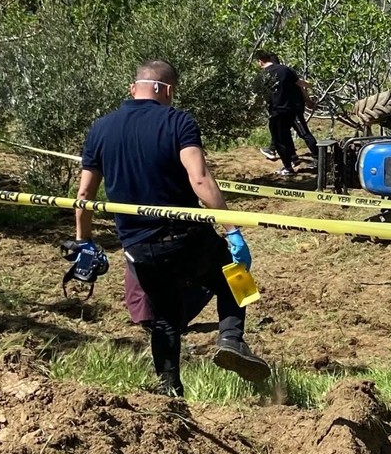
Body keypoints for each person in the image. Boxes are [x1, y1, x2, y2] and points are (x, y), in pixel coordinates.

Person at [71, 59, 270, 397]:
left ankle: (170, 387)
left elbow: (85, 194)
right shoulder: (178, 121)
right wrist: (233, 229)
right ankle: (231, 340)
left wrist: (83, 243)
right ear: (166, 90)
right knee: (238, 278)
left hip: (138, 248)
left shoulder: (100, 128)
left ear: (134, 88)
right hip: (184, 237)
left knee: (164, 317)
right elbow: (200, 179)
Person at [253, 50, 317, 176]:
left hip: (277, 111)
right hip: (292, 109)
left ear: (260, 61)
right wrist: (310, 88)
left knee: (280, 140)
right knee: (301, 134)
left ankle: (288, 167)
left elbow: (260, 97)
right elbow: (300, 84)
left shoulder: (262, 76)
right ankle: (305, 159)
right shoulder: (286, 70)